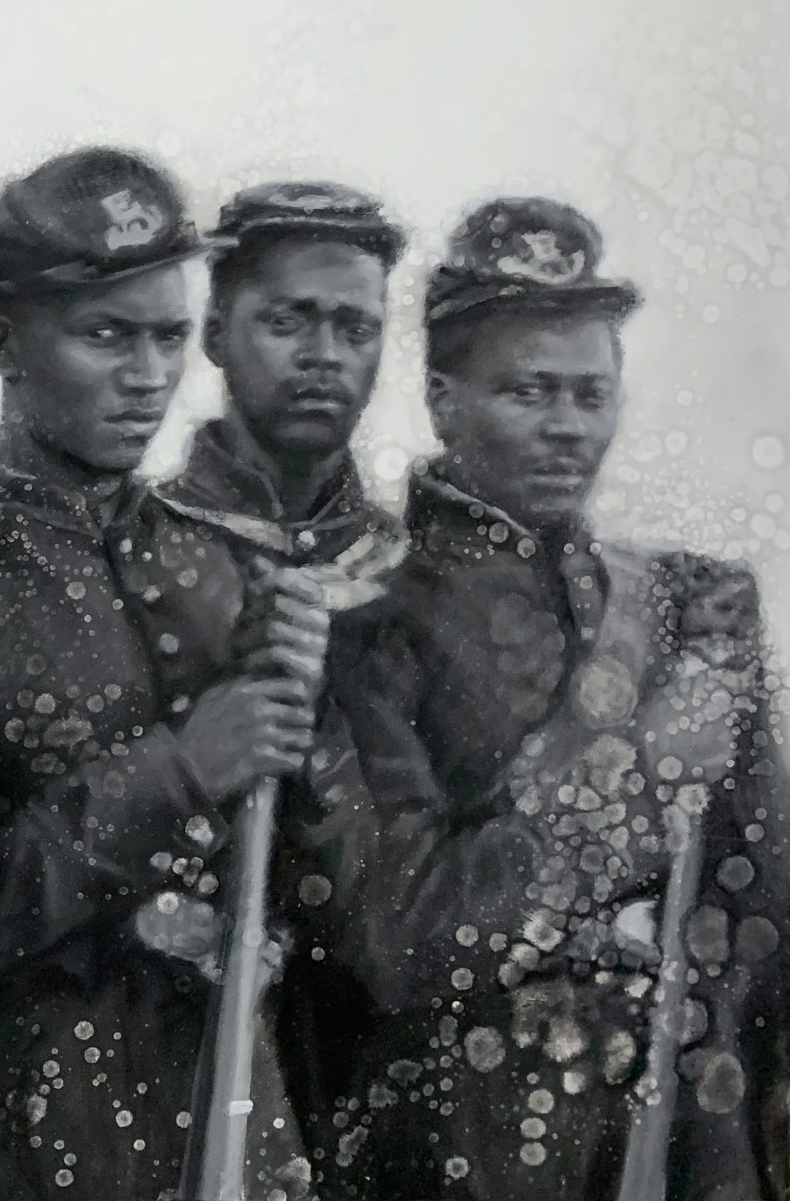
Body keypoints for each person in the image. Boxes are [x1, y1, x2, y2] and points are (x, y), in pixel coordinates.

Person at [0, 147, 328, 1201]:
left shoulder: (241, 574)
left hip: (228, 1123)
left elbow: (330, 896)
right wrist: (179, 773)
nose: (148, 376)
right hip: (19, 1135)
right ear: (2, 343)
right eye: (105, 336)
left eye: (168, 337)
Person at [327, 197, 788, 1200]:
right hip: (463, 1141)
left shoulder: (684, 610)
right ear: (445, 400)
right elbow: (403, 939)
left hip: (675, 1137)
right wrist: (650, 762)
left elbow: (756, 915)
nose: (567, 427)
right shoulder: (369, 622)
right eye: (528, 392)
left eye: (590, 393)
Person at [163, 180, 411, 1186]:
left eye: (355, 328)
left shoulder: (414, 577)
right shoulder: (134, 552)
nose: (325, 357)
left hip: (379, 1067)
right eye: (288, 322)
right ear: (217, 333)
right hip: (176, 1060)